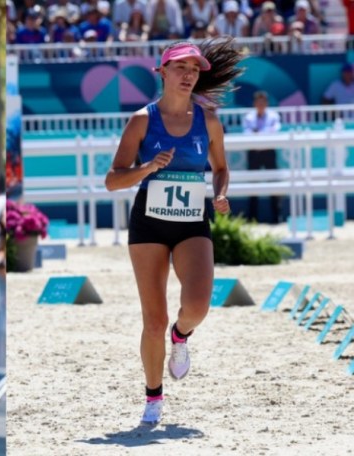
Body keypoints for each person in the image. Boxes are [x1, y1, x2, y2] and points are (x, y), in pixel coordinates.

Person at [105, 38, 243, 426]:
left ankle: (181, 338)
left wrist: (220, 194)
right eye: (181, 68)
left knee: (197, 305)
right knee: (153, 319)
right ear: (162, 72)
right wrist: (147, 167)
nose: (188, 75)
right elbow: (112, 180)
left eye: (195, 70)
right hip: (149, 221)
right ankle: (153, 398)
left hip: (191, 220)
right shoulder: (142, 120)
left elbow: (220, 168)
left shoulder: (208, 119)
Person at [243, 91, 282, 224]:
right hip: (254, 152)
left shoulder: (273, 116)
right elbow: (247, 133)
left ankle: (276, 217)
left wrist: (258, 133)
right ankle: (252, 218)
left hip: (269, 151)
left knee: (273, 183)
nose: (261, 104)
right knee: (252, 185)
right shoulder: (249, 117)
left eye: (263, 101)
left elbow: (275, 130)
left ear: (267, 103)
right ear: (254, 103)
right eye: (258, 102)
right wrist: (263, 133)